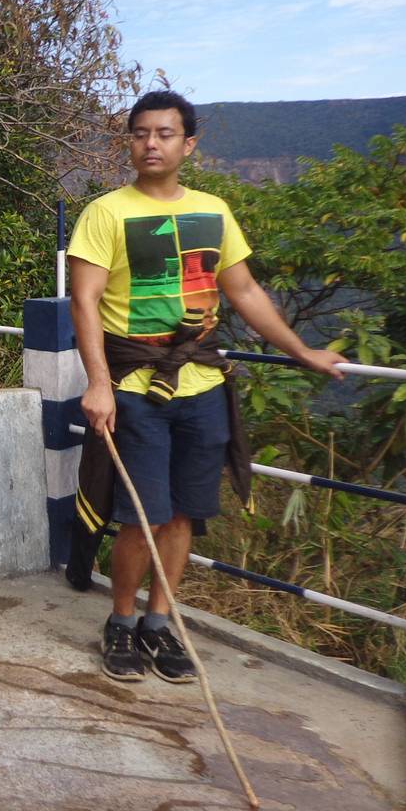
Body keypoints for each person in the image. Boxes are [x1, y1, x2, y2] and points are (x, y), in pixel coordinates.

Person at [67, 89, 344, 683]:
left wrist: (301, 351)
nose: (151, 144)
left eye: (165, 134)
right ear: (129, 141)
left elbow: (243, 292)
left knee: (184, 515)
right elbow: (84, 301)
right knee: (142, 515)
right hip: (136, 384)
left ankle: (159, 625)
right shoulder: (105, 213)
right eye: (141, 133)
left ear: (188, 143)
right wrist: (98, 383)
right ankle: (120, 621)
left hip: (201, 383)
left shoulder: (214, 210)